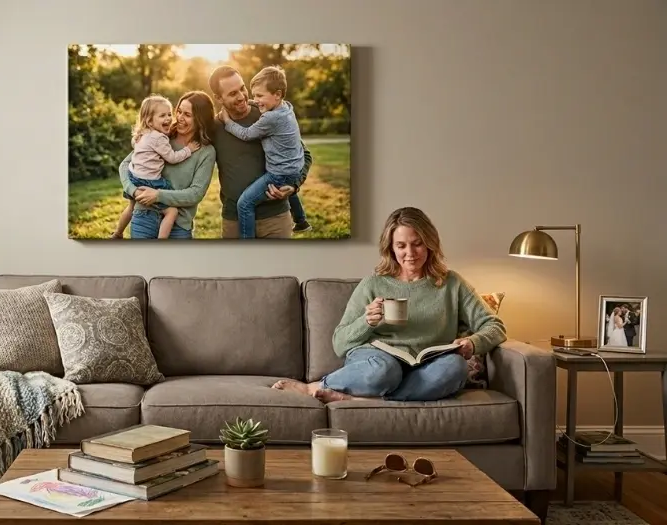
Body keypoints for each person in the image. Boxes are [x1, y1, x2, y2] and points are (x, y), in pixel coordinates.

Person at [272, 207, 508, 402]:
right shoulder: (373, 284)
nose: (410, 253)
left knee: (456, 367)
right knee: (385, 371)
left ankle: (364, 400)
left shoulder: (451, 283)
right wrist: (367, 321)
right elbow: (340, 344)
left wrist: (472, 343)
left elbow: (495, 326)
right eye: (401, 246)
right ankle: (317, 386)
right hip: (377, 359)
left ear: (430, 244)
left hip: (425, 366)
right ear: (391, 248)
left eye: (417, 244)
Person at [207, 66, 313, 238]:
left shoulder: (268, 113)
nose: (242, 96)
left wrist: (294, 186)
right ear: (218, 98)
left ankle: (300, 221)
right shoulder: (214, 128)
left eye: (243, 88)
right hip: (234, 221)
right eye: (233, 93)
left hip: (275, 219)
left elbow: (304, 155)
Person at [116, 91, 217, 239]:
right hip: (144, 215)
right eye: (179, 111)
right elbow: (125, 165)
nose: (180, 118)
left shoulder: (205, 152)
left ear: (200, 120)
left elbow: (195, 193)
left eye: (187, 115)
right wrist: (133, 191)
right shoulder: (162, 136)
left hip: (179, 225)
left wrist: (158, 195)